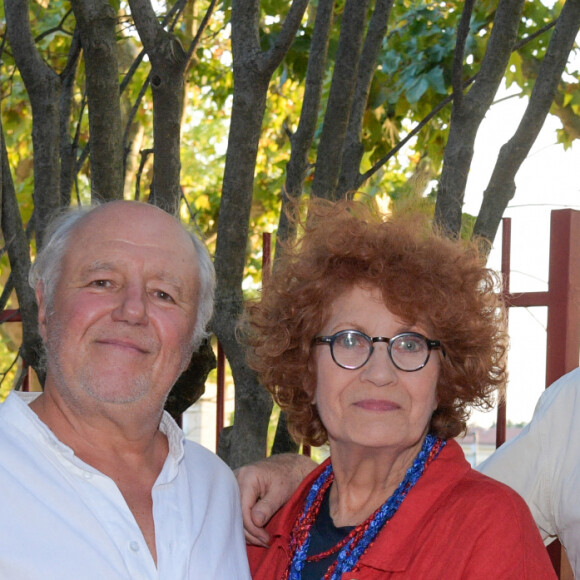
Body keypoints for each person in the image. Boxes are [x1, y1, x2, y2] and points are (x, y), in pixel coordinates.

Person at [241, 199, 555, 579]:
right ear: (308, 371)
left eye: (409, 344)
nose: (379, 372)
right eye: (350, 340)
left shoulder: (487, 527)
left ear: (443, 379)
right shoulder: (262, 524)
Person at [0, 201, 251, 580]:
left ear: (193, 338)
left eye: (164, 294)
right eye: (102, 282)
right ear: (43, 305)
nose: (132, 311)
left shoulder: (216, 490)